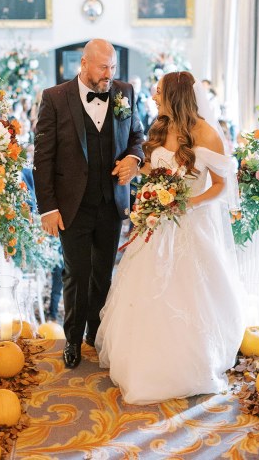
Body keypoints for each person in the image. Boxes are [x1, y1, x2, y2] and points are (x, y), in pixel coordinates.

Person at [95, 71, 246, 405]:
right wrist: (138, 172)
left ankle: (187, 363)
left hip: (189, 225)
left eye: (159, 92)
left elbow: (222, 186)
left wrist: (186, 204)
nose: (153, 97)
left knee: (188, 294)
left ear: (174, 96)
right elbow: (156, 169)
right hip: (156, 223)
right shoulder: (160, 126)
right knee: (146, 291)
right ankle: (144, 362)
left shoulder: (207, 134)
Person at [33, 39, 145, 370]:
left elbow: (137, 136)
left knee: (103, 274)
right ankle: (72, 339)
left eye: (113, 68)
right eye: (102, 67)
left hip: (111, 202)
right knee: (76, 273)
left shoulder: (124, 92)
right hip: (72, 206)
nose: (109, 74)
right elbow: (43, 156)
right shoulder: (54, 98)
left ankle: (95, 333)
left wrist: (134, 158)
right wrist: (48, 207)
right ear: (84, 64)